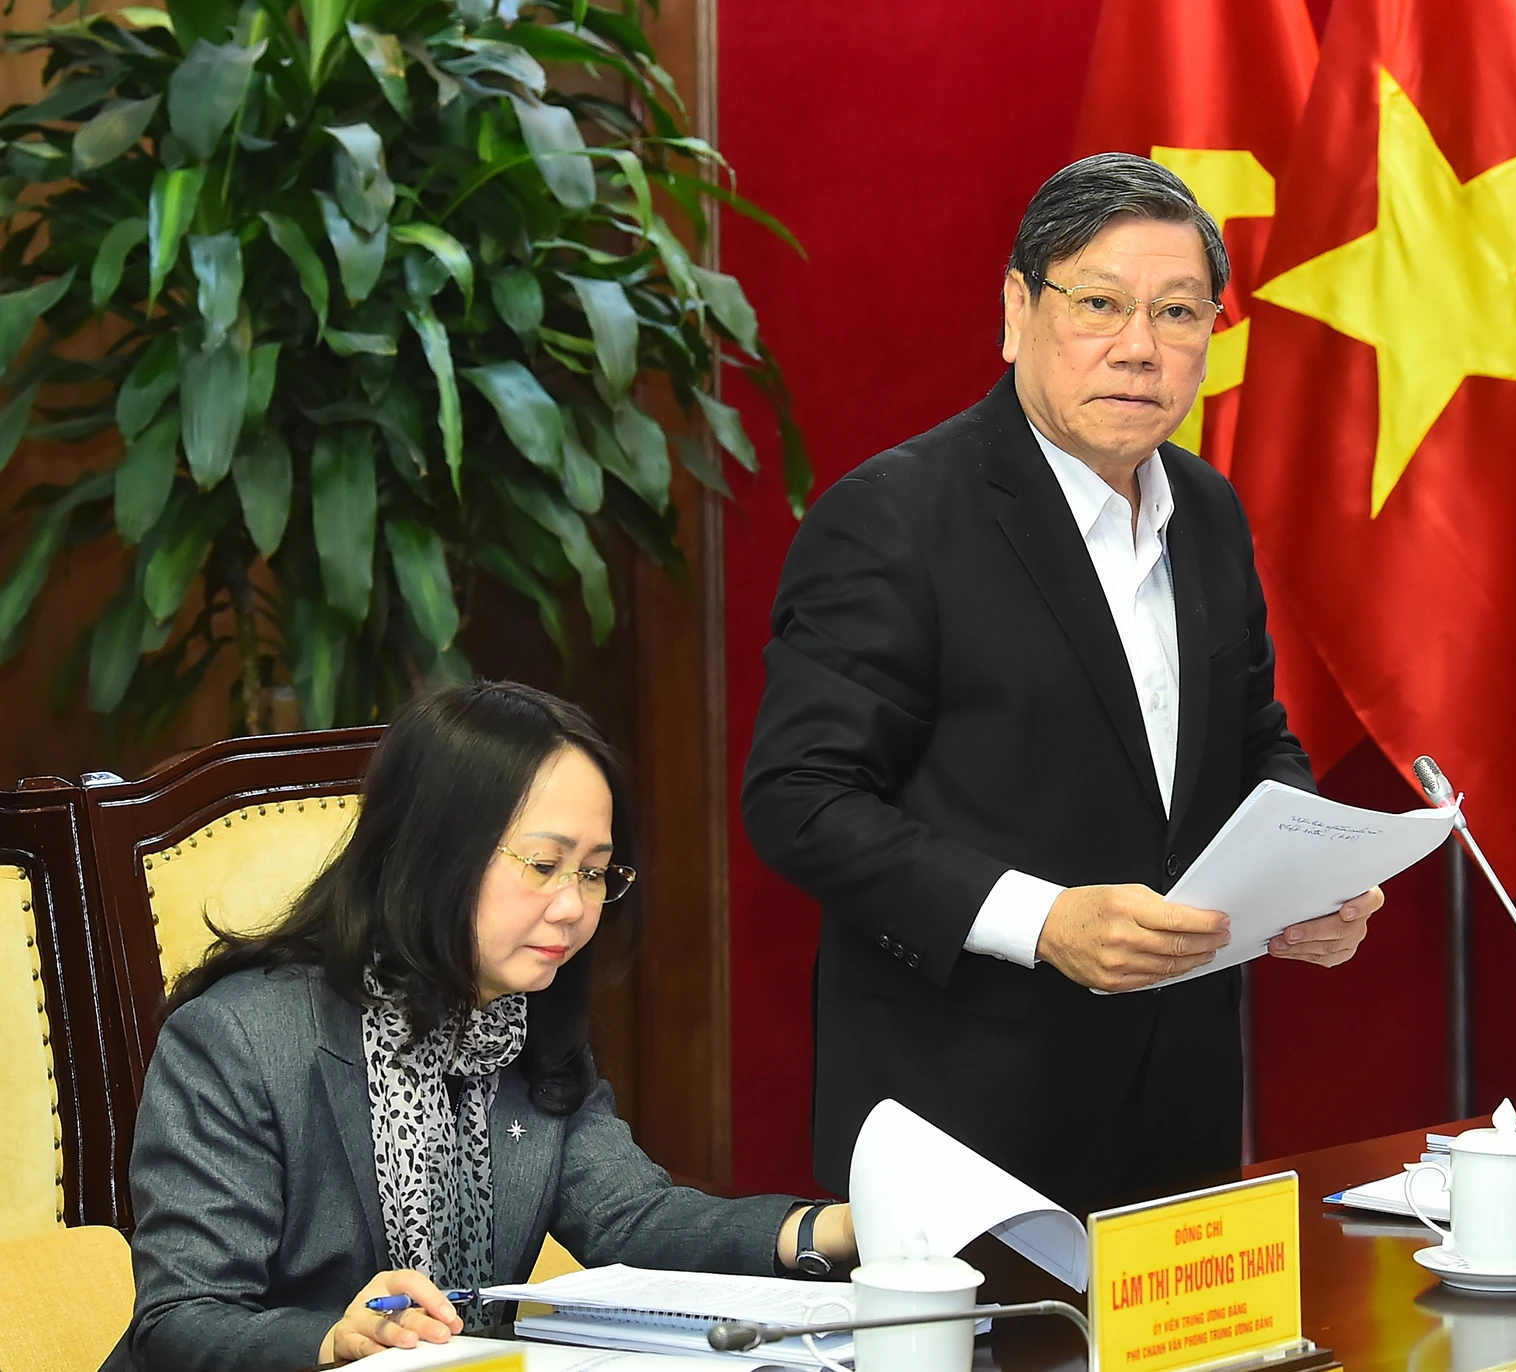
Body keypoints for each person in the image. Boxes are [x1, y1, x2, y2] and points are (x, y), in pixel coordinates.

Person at [742, 153, 1386, 1216]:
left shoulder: (1209, 511)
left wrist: (1307, 869)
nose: (1140, 347)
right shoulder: (896, 519)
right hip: (962, 1121)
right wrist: (1044, 922)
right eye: (1100, 304)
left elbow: (1254, 737)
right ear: (1015, 310)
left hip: (1179, 1113)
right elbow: (800, 801)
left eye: (1179, 312)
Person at [111, 681, 856, 1372]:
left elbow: (634, 1219)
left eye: (595, 872)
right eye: (542, 864)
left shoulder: (521, 1029)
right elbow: (180, 1322)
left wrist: (839, 1229)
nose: (574, 907)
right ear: (430, 853)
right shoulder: (238, 1040)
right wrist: (331, 1340)